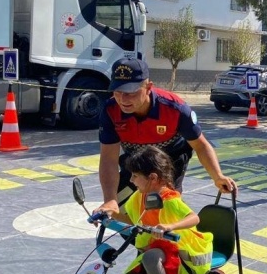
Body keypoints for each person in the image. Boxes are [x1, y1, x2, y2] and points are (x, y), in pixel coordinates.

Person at [95, 58, 237, 216]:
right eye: (118, 92)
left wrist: (218, 177)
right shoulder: (110, 110)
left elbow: (201, 146)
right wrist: (110, 199)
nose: (123, 99)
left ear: (148, 87)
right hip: (137, 161)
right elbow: (108, 158)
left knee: (162, 208)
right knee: (120, 210)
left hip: (169, 161)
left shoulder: (175, 109)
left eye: (131, 93)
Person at [110, 146, 211, 274]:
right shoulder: (139, 196)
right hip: (155, 247)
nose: (131, 180)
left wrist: (169, 227)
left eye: (135, 176)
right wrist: (111, 214)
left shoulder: (169, 199)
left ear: (152, 177)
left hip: (179, 250)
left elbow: (194, 218)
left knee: (151, 258)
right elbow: (135, 221)